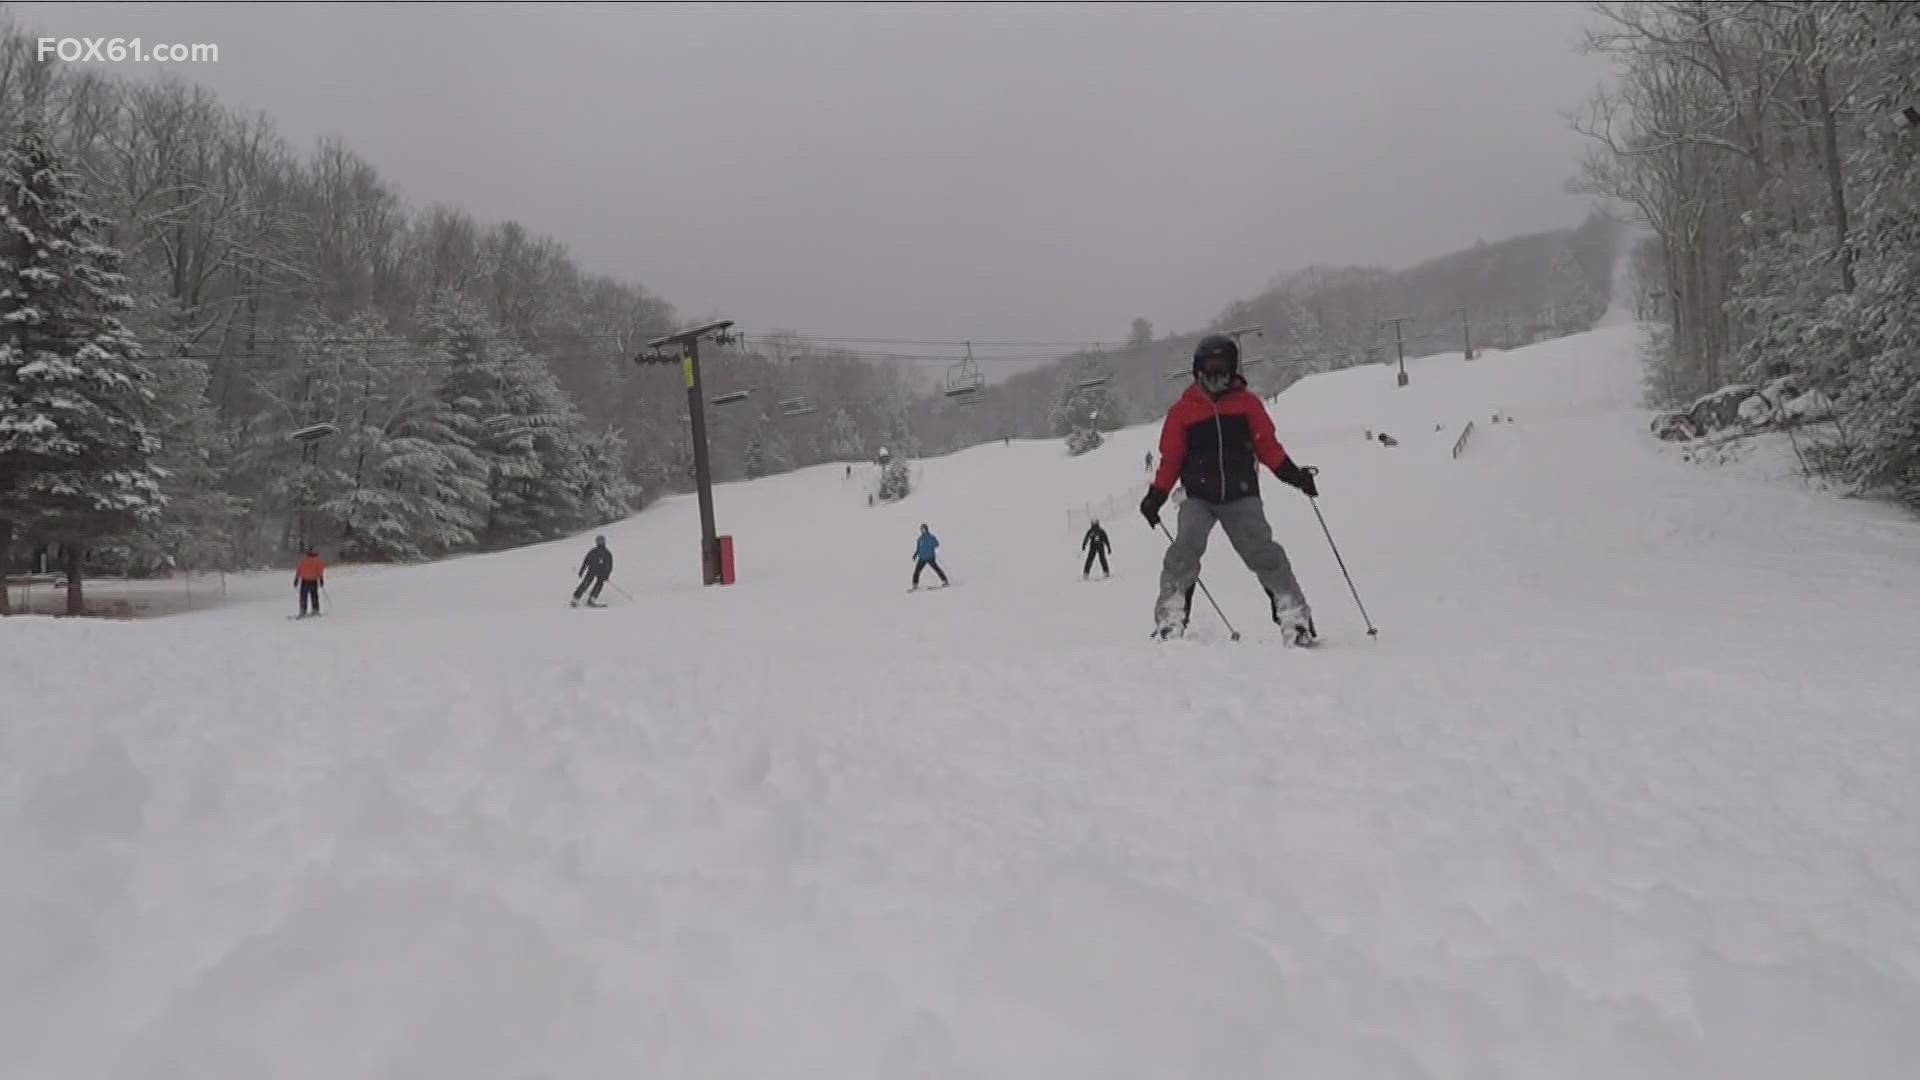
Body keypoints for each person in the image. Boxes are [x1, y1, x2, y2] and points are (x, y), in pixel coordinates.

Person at [1139, 333, 1319, 645]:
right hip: (1198, 496)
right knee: (1183, 551)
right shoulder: (1183, 411)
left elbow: (1268, 448)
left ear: (1233, 369)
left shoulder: (1247, 405)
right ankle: (1171, 617)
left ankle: (1294, 617)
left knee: (1264, 553)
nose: (1215, 374)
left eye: (1222, 367)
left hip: (1241, 494)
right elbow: (1172, 459)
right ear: (1197, 369)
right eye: (1208, 367)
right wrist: (1155, 496)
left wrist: (1295, 476)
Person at [572, 535, 613, 607]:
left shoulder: (606, 553)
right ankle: (575, 598)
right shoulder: (593, 551)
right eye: (598, 541)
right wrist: (582, 570)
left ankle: (592, 598)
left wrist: (607, 575)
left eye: (601, 541)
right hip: (592, 570)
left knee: (599, 584)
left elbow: (609, 565)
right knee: (585, 583)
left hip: (601, 572)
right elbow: (586, 561)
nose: (600, 542)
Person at [911, 523, 948, 589]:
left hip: (930, 557)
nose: (923, 530)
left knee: (936, 569)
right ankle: (915, 584)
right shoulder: (920, 539)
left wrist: (932, 545)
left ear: (927, 529)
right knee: (917, 571)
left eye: (924, 529)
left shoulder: (931, 537)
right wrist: (915, 555)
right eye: (922, 529)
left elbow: (937, 544)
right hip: (922, 558)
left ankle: (944, 581)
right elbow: (918, 548)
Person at [294, 547, 325, 617]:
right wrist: (321, 579)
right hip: (313, 581)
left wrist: (296, 579)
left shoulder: (303, 560)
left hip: (305, 581)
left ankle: (303, 610)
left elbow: (298, 570)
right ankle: (315, 609)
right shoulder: (318, 561)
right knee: (314, 595)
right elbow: (320, 570)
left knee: (303, 596)